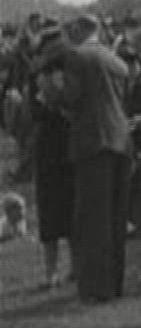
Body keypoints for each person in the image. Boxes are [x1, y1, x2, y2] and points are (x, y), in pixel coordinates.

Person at [60, 15, 132, 304]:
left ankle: (95, 287)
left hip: (93, 141)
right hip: (120, 139)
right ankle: (114, 283)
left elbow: (72, 96)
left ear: (79, 30)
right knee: (115, 216)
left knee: (92, 217)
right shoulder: (115, 60)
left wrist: (50, 92)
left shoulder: (77, 57)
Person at [32, 39, 74, 287]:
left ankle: (58, 271)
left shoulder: (70, 79)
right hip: (54, 147)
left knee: (66, 209)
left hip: (60, 147)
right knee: (55, 212)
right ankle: (56, 270)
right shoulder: (39, 80)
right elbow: (36, 112)